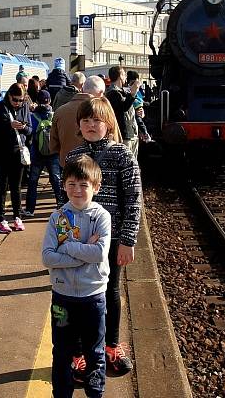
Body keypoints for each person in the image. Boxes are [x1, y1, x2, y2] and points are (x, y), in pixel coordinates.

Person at [66, 97, 141, 377]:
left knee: (110, 292)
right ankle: (79, 352)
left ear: (108, 124)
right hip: (79, 241)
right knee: (76, 292)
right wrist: (66, 238)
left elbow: (133, 201)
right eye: (85, 120)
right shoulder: (74, 157)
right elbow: (67, 199)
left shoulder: (122, 155)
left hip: (112, 240)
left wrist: (128, 240)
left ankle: (110, 347)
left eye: (96, 120)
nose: (90, 125)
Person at [42, 155, 110, 398]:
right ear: (63, 185)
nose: (77, 190)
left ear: (96, 187)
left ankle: (95, 393)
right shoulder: (59, 217)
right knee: (61, 351)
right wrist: (84, 252)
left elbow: (101, 253)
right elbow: (48, 257)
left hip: (93, 297)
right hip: (63, 298)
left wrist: (68, 246)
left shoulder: (101, 217)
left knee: (95, 351)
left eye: (84, 185)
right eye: (71, 184)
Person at [0, 83, 32, 234]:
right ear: (9, 96)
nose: (18, 103)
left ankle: (17, 216)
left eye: (21, 100)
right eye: (15, 100)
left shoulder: (25, 107)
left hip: (18, 152)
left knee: (16, 187)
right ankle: (1, 219)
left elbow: (30, 130)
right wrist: (9, 125)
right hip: (1, 152)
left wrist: (24, 128)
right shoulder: (0, 107)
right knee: (2, 186)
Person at [51, 75, 106, 173]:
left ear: (82, 88)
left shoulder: (60, 111)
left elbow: (53, 145)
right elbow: (115, 137)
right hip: (95, 167)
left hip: (67, 165)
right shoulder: (103, 111)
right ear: (101, 93)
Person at [25, 90, 62, 216]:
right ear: (50, 101)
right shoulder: (55, 115)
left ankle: (30, 209)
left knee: (33, 181)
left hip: (37, 154)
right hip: (54, 153)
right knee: (56, 181)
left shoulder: (32, 116)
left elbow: (29, 133)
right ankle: (61, 206)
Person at [105, 66, 141, 157]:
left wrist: (140, 109)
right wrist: (133, 94)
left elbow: (130, 106)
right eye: (124, 74)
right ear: (120, 76)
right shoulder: (113, 93)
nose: (125, 77)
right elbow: (123, 107)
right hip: (124, 135)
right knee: (127, 161)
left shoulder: (122, 91)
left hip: (131, 133)